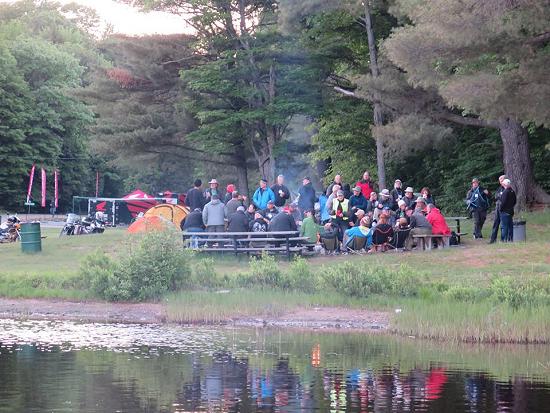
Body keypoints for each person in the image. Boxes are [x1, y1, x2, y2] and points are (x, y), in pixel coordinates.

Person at [489, 175, 507, 244]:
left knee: (503, 225)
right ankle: (493, 240)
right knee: (495, 224)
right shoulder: (499, 188)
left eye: (502, 180)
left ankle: (503, 240)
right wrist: (500, 196)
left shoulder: (508, 188)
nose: (501, 182)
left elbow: (505, 197)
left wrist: (500, 196)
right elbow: (496, 196)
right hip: (497, 208)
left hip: (504, 208)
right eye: (500, 181)